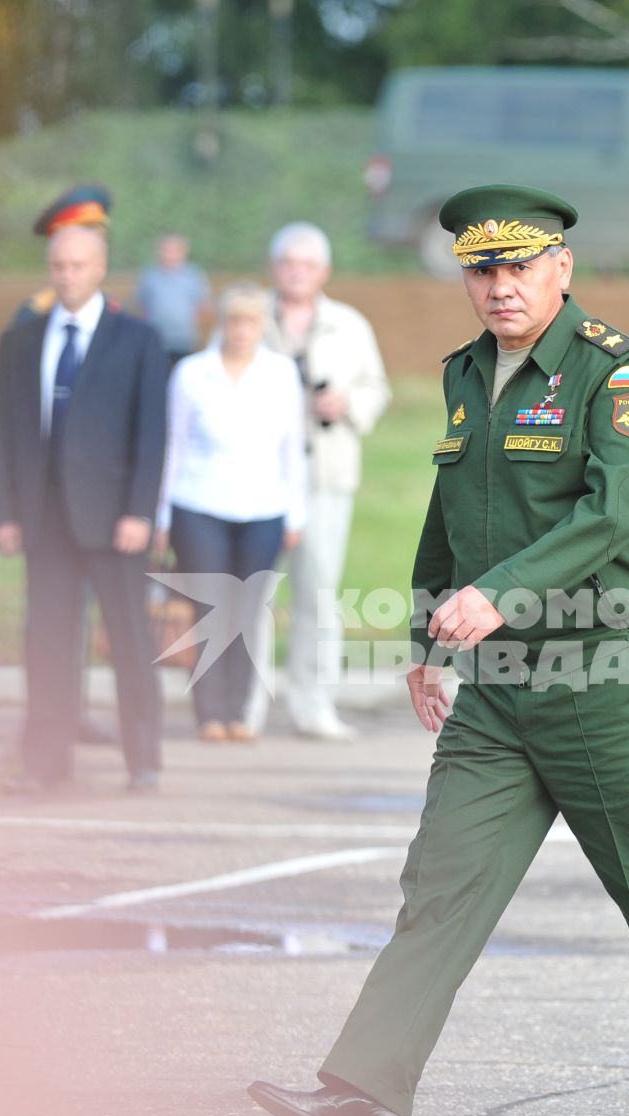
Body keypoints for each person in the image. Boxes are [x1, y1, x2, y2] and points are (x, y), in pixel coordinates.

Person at [248, 185, 629, 1116]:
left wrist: (499, 593)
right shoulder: (465, 374)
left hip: (601, 680)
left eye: (519, 265)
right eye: (482, 269)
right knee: (440, 882)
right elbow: (453, 513)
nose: (500, 286)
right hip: (498, 689)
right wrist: (427, 636)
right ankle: (367, 1090)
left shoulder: (616, 374)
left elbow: (613, 517)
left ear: (561, 267)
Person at [0, 215, 167, 794]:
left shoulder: (136, 339)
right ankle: (44, 763)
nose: (66, 276)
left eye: (78, 266)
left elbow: (152, 434)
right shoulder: (19, 341)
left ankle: (143, 760)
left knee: (130, 640)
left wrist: (140, 511)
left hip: (115, 521)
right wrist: (4, 512)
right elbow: (5, 433)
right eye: (59, 266)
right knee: (47, 642)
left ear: (100, 269)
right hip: (45, 521)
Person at [158, 283, 305, 742]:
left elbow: (291, 448)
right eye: (234, 321)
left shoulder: (281, 373)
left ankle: (240, 711)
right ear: (221, 323)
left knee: (247, 610)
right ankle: (209, 713)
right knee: (209, 607)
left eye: (251, 322)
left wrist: (295, 514)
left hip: (264, 508)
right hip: (199, 504)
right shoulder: (191, 373)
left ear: (262, 326)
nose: (242, 331)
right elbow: (173, 446)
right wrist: (162, 516)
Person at [262, 221, 390, 740]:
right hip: (260, 478)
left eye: (307, 264)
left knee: (318, 590)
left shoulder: (349, 325)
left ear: (324, 272)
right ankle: (240, 706)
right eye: (289, 263)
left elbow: (376, 387)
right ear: (275, 268)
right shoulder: (250, 318)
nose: (297, 272)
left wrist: (347, 405)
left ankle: (314, 705)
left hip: (326, 472)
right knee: (249, 592)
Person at [136, 233, 212, 363]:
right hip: (157, 341)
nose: (169, 254)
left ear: (183, 252)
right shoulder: (149, 276)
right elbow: (141, 307)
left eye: (174, 250)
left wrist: (199, 335)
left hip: (185, 342)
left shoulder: (193, 275)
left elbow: (203, 307)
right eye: (166, 250)